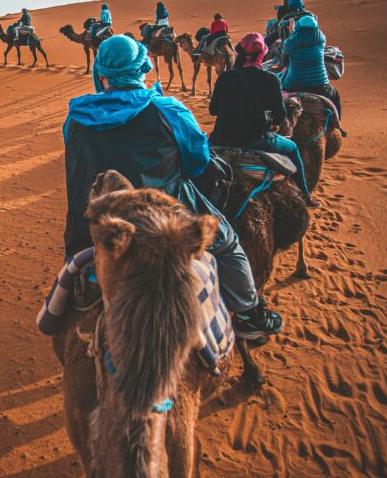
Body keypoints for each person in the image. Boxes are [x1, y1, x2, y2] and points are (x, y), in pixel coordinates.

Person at [63, 34, 284, 339]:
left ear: (100, 73)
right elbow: (197, 163)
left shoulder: (75, 117)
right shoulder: (169, 110)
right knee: (228, 244)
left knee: (77, 263)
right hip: (165, 219)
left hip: (92, 222)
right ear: (144, 67)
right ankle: (249, 316)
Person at [209, 33, 318, 206]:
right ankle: (305, 195)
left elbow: (213, 110)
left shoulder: (225, 77)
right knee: (292, 148)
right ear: (263, 55)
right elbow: (280, 117)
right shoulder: (271, 79)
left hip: (222, 139)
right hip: (257, 140)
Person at [279, 14, 342, 118]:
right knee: (335, 95)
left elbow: (283, 61)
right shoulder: (321, 39)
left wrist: (291, 32)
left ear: (298, 26)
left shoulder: (289, 42)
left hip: (292, 84)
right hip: (320, 84)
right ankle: (338, 123)